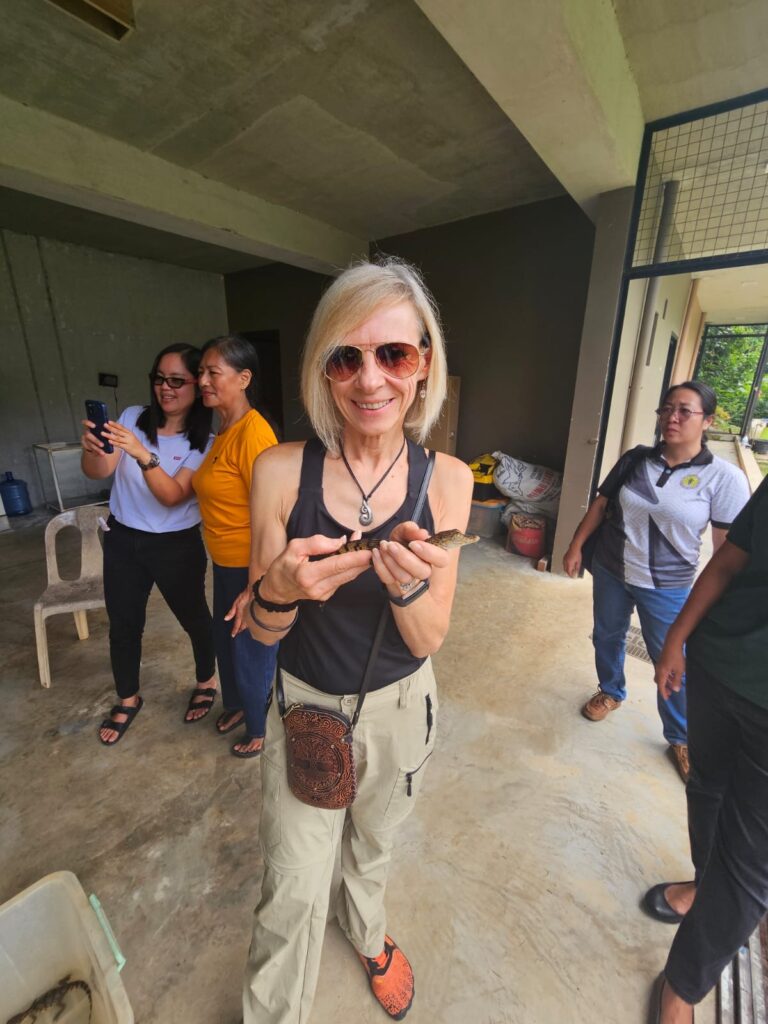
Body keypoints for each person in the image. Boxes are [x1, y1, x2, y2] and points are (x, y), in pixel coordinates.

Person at [238, 258, 473, 1023]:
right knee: (291, 886)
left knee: (373, 845)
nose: (370, 379)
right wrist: (277, 591)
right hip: (306, 705)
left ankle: (367, 931)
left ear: (423, 365)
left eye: (393, 354)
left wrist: (406, 584)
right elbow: (259, 629)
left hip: (403, 708)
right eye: (347, 356)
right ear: (324, 371)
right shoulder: (279, 472)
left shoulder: (449, 482)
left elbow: (430, 634)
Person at [563, 381, 750, 781]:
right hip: (613, 570)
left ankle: (681, 736)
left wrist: (720, 604)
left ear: (708, 421)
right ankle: (611, 690)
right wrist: (577, 544)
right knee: (606, 636)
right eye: (667, 409)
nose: (672, 418)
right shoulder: (636, 459)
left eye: (685, 410)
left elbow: (725, 554)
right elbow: (601, 504)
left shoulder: (723, 479)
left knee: (672, 660)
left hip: (668, 586)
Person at [643, 475, 768, 1024]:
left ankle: (683, 985)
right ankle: (700, 881)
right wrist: (676, 639)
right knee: (707, 787)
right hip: (720, 671)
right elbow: (727, 561)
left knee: (750, 867)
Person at [81, 343, 216, 745]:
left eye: (177, 381)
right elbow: (98, 471)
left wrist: (142, 454)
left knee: (194, 618)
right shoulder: (132, 417)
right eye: (159, 378)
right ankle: (128, 696)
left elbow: (173, 496)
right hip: (123, 539)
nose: (165, 388)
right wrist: (95, 450)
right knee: (123, 625)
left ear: (197, 386)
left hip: (176, 545)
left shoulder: (204, 441)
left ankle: (206, 680)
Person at [192, 335, 279, 758]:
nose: (202, 380)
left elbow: (275, 514)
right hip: (223, 562)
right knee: (226, 639)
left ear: (243, 378)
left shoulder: (253, 434)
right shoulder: (222, 430)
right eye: (201, 372)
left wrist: (255, 585)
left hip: (251, 565)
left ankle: (260, 726)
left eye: (213, 372)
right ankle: (240, 706)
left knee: (251, 645)